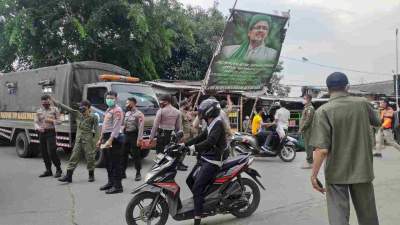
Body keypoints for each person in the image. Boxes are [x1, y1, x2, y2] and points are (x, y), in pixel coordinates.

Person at [310, 72, 380, 225]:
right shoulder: (362, 103)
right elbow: (377, 122)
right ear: (347, 87)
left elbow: (322, 150)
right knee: (368, 216)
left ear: (328, 90)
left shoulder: (323, 111)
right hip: (363, 170)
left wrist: (314, 175)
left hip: (336, 173)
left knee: (338, 216)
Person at [182, 98, 228, 225]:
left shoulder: (218, 123)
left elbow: (210, 142)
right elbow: (201, 137)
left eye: (202, 112)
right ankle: (202, 200)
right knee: (189, 180)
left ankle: (198, 217)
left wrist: (193, 148)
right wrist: (185, 145)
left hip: (214, 160)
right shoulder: (211, 122)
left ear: (209, 112)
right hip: (207, 157)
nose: (200, 114)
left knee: (197, 186)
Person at [55, 99, 99, 183]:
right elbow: (68, 109)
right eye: (80, 106)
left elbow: (96, 130)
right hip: (78, 140)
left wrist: (96, 141)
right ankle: (68, 176)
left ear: (88, 107)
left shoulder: (93, 116)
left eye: (83, 106)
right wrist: (57, 103)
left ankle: (91, 174)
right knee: (74, 156)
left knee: (90, 157)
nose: (81, 108)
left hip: (88, 140)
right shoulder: (78, 114)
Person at [96, 91, 124, 194]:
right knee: (108, 162)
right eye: (108, 98)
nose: (109, 100)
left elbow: (116, 127)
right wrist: (101, 139)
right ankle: (110, 182)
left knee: (115, 163)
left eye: (111, 98)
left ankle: (118, 186)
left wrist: (110, 140)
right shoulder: (108, 109)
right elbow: (104, 126)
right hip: (106, 137)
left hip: (114, 139)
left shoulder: (117, 110)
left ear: (116, 99)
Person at [34, 95, 62, 178]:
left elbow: (60, 121)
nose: (45, 104)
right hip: (42, 133)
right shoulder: (39, 111)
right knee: (44, 152)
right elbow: (35, 122)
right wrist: (38, 128)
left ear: (49, 101)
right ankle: (48, 170)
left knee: (52, 151)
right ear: (41, 102)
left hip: (51, 132)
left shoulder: (55, 109)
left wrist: (52, 120)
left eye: (47, 102)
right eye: (43, 103)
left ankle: (58, 169)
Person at [122, 97, 144, 181]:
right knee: (123, 154)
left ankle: (138, 173)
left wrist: (139, 139)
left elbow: (141, 128)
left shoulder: (139, 114)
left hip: (134, 136)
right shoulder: (127, 113)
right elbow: (124, 124)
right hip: (126, 135)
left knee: (136, 155)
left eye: (128, 103)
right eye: (126, 103)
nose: (126, 105)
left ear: (133, 103)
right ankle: (123, 172)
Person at [299, 94, 315, 169]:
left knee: (308, 146)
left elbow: (308, 120)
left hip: (308, 130)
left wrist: (302, 128)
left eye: (304, 98)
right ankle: (309, 160)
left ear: (308, 99)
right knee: (306, 145)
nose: (303, 100)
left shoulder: (310, 108)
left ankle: (310, 162)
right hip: (305, 130)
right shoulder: (306, 108)